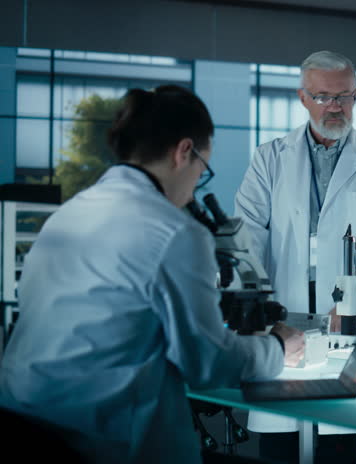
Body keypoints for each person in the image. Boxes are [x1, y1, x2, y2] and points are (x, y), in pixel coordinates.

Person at [0, 85, 305, 464]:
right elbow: (206, 363)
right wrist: (277, 348)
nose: (196, 187)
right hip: (106, 442)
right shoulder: (175, 230)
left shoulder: (69, 213)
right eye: (202, 171)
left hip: (27, 428)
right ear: (184, 152)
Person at [234, 50, 356, 462]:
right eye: (324, 97)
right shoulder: (269, 158)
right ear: (303, 97)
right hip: (283, 318)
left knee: (342, 445)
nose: (335, 107)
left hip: (348, 325)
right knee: (281, 446)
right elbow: (247, 237)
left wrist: (353, 303)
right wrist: (259, 310)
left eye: (344, 97)